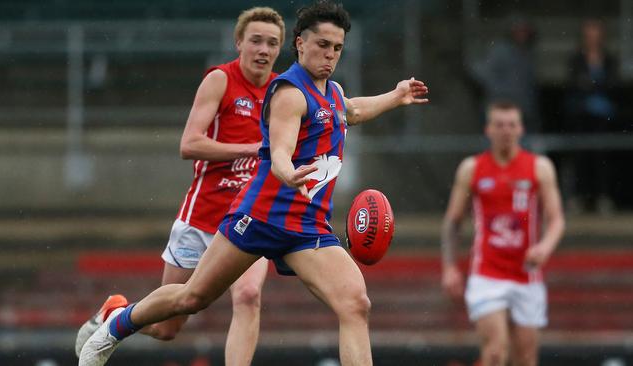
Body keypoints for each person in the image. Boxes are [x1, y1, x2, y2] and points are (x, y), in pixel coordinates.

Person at [78, 1, 429, 365]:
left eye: (337, 48)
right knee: (191, 298)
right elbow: (278, 149)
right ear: (300, 44)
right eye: (322, 45)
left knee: (355, 304)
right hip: (261, 217)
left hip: (307, 227)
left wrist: (395, 96)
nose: (330, 55)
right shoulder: (290, 93)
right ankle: (116, 323)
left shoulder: (333, 92)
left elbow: (350, 111)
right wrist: (285, 170)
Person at [74, 7, 285, 366]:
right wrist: (251, 148)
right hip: (202, 217)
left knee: (249, 295)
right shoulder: (220, 80)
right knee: (168, 328)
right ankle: (116, 313)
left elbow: (338, 109)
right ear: (239, 42)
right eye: (255, 40)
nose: (263, 49)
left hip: (248, 218)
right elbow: (189, 144)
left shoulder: (283, 90)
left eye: (272, 43)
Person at [441, 101, 565, 366]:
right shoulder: (472, 169)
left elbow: (556, 220)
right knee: (496, 352)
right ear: (488, 129)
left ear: (520, 128)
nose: (506, 130)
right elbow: (453, 222)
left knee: (526, 358)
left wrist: (545, 247)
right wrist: (450, 266)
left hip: (527, 275)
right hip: (487, 273)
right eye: (499, 124)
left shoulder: (539, 167)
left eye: (511, 124)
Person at [563, 19, 618, 214]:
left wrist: (589, 84)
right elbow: (572, 83)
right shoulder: (576, 58)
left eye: (596, 35)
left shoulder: (609, 58)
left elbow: (612, 84)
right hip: (581, 115)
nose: (593, 39)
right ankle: (579, 198)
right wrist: (594, 84)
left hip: (603, 116)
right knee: (581, 157)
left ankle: (603, 198)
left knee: (602, 157)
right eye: (589, 35)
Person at [471, 15, 541, 133]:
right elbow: (478, 71)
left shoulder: (528, 54)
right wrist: (500, 94)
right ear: (511, 32)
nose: (522, 34)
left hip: (523, 114)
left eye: (525, 31)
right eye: (518, 31)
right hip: (500, 112)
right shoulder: (500, 50)